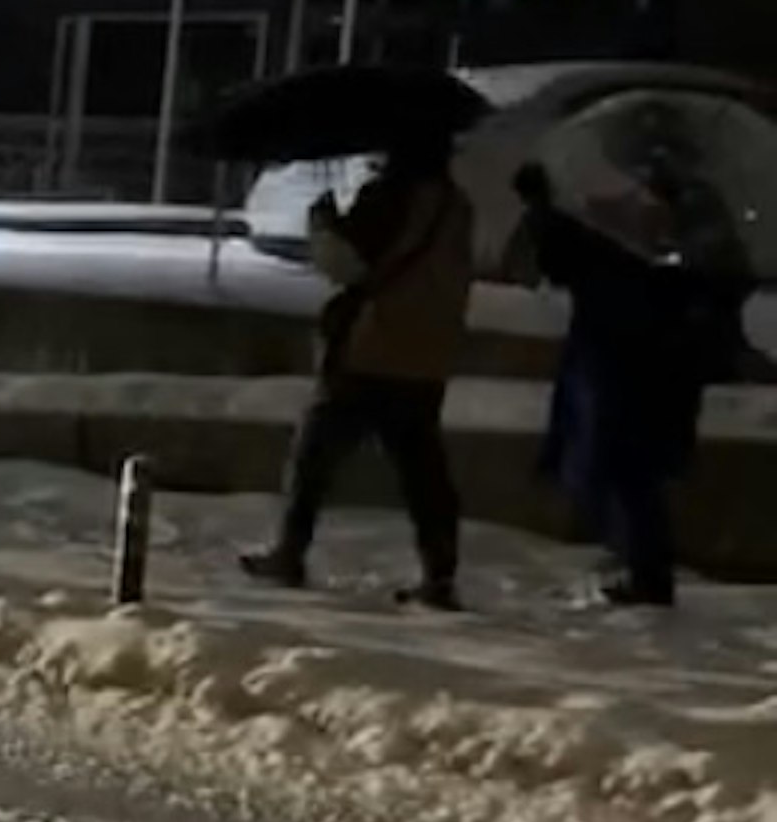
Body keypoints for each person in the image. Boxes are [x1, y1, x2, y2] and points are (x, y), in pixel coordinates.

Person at [239, 129, 477, 609]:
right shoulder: (457, 205)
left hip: (373, 347)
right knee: (423, 469)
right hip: (427, 351)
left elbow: (348, 264)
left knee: (315, 454)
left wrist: (323, 220)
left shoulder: (389, 196)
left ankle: (290, 552)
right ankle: (440, 575)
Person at [508, 161, 691, 605]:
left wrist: (539, 208)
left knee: (620, 470)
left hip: (613, 368)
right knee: (626, 472)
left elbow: (546, 264)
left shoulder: (619, 248)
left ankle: (644, 571)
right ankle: (642, 567)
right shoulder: (649, 253)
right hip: (634, 370)